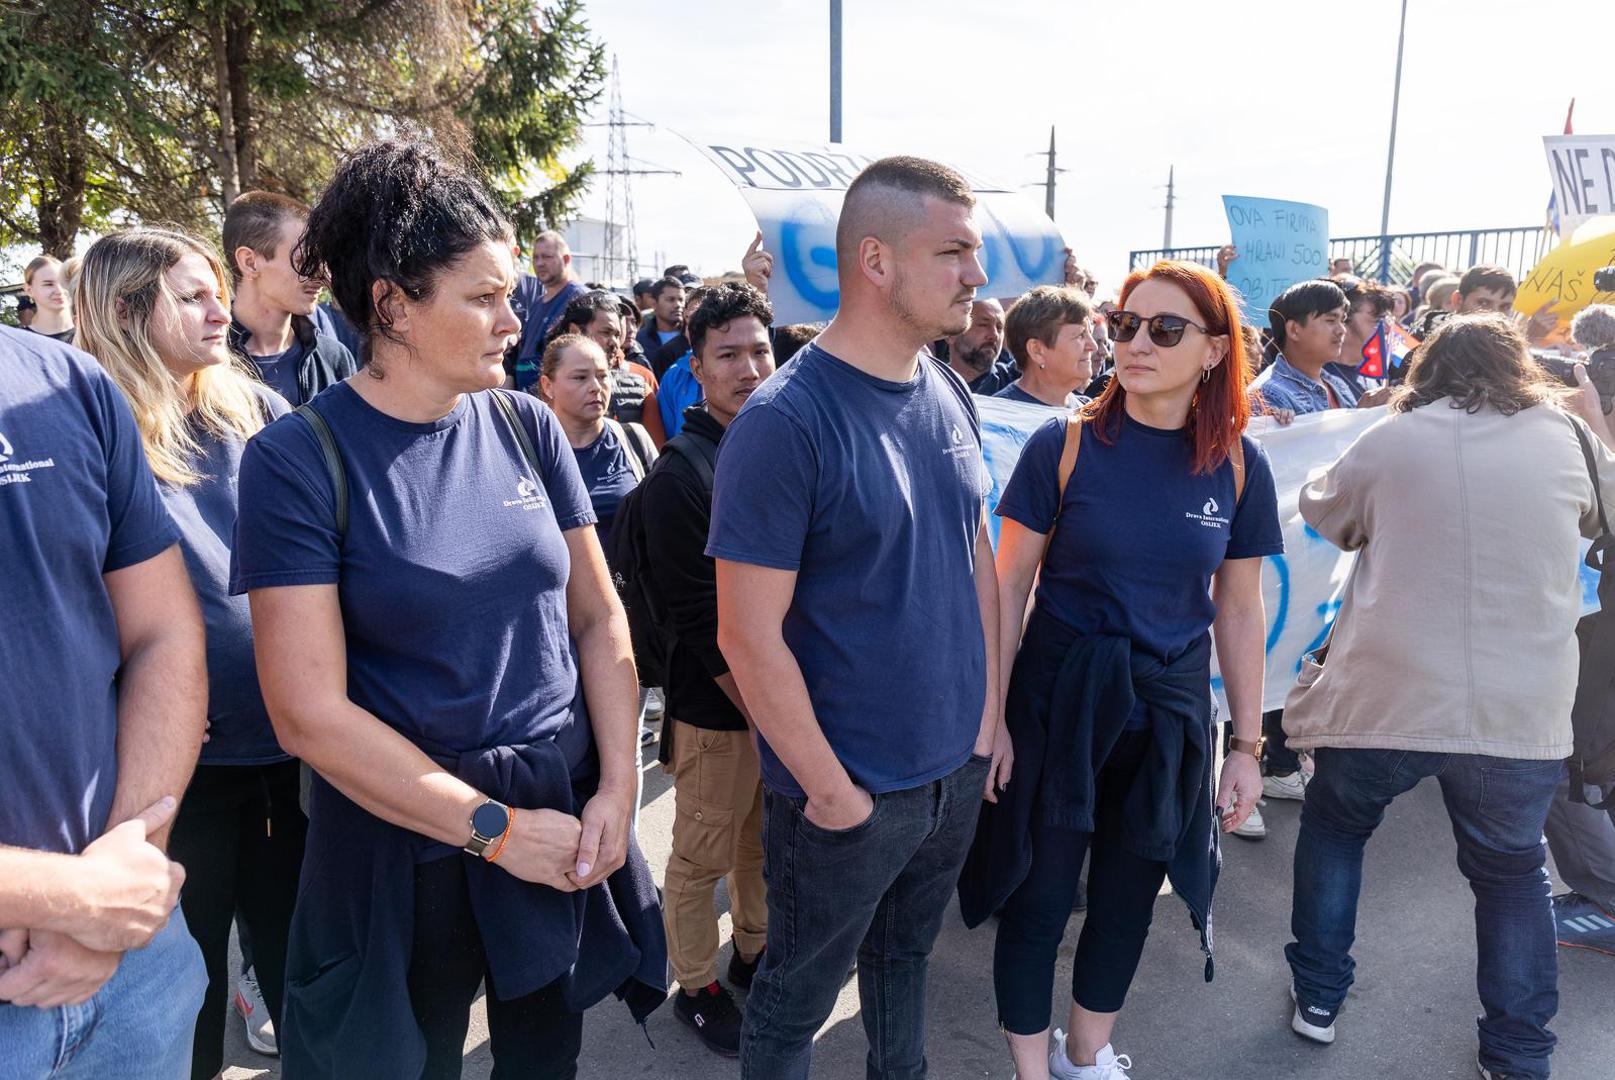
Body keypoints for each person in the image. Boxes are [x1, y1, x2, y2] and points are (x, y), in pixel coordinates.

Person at [230, 137, 665, 1079]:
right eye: (483, 297)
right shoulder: (297, 461)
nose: (515, 320)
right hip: (407, 843)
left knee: (545, 1056)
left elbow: (597, 620)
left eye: (512, 292)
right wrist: (493, 830)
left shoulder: (524, 423)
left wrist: (617, 794)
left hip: (559, 812)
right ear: (391, 303)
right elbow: (308, 713)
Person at [709, 156, 1000, 1079]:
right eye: (952, 251)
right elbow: (745, 636)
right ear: (875, 261)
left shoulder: (945, 387)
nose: (976, 275)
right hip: (846, 794)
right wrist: (832, 792)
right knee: (793, 1003)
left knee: (904, 965)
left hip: (953, 769)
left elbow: (975, 559)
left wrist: (987, 722)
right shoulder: (783, 423)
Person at [962, 260, 1280, 1080]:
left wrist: (1246, 745)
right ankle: (1031, 1073)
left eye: (1164, 329)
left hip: (1169, 710)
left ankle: (1085, 1055)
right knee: (1038, 898)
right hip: (1058, 699)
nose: (1135, 342)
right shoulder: (1060, 445)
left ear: (1213, 351)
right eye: (1125, 323)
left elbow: (1238, 610)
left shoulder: (1240, 464)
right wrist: (990, 715)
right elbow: (1007, 585)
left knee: (1128, 902)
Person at [1278, 314, 1615, 1080]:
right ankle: (1518, 1051)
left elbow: (1326, 514)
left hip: (1386, 693)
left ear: (1427, 368)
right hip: (1518, 706)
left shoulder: (1393, 438)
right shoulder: (1562, 438)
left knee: (1336, 829)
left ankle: (1319, 998)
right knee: (1510, 872)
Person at [74, 226, 307, 1078]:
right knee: (185, 993)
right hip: (173, 773)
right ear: (129, 309)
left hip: (292, 748)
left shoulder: (260, 411)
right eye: (193, 297)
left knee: (308, 978)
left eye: (219, 291)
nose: (221, 314)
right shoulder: (89, 429)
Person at [0, 324, 209, 1076]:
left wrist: (123, 877)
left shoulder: (65, 381)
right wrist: (75, 900)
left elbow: (162, 633)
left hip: (132, 977)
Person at [640, 282, 776, 1057]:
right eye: (728, 354)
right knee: (699, 856)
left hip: (774, 703)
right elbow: (701, 625)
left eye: (759, 350)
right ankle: (695, 985)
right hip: (718, 710)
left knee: (758, 844)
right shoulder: (677, 479)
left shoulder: (765, 448)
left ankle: (753, 954)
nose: (749, 367)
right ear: (696, 366)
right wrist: (767, 715)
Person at [223, 191, 357, 406]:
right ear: (250, 262)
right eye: (304, 262)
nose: (323, 276)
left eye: (322, 262)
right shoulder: (204, 363)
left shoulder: (334, 360)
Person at [538, 334, 656, 552]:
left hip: (631, 583)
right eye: (580, 377)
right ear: (548, 386)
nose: (596, 387)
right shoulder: (532, 450)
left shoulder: (634, 438)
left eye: (602, 376)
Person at [548, 289, 667, 446]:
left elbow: (657, 459)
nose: (614, 343)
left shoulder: (640, 390)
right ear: (575, 331)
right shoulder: (546, 392)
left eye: (617, 335)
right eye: (606, 332)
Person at [509, 230, 589, 393]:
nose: (539, 263)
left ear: (566, 259)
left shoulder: (579, 298)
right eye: (536, 257)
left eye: (547, 257)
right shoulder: (539, 302)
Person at [996, 286, 1097, 408]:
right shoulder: (998, 416)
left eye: (1090, 333)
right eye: (1080, 335)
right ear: (1037, 350)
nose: (1093, 346)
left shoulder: (1090, 413)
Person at [656, 286, 713, 439]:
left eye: (703, 318)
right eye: (689, 319)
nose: (693, 328)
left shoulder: (743, 372)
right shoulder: (674, 377)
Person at [938, 297, 1017, 393]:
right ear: (952, 335)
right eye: (983, 325)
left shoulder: (1014, 381)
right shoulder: (933, 385)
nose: (994, 335)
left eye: (999, 327)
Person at [21, 254, 73, 341]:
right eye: (49, 284)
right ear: (29, 290)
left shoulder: (90, 337)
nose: (59, 290)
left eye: (63, 282)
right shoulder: (18, 342)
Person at [636, 276, 686, 362]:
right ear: (654, 304)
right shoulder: (640, 340)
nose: (678, 305)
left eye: (681, 300)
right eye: (671, 300)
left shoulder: (693, 338)